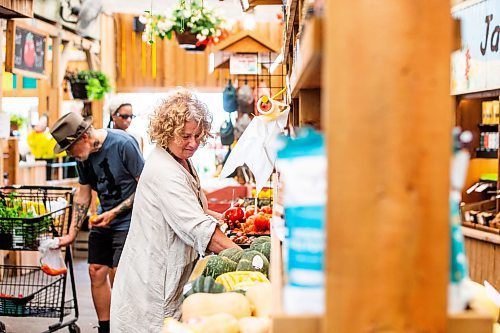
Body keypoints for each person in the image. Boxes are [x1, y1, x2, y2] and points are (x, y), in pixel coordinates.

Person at [110, 89, 240, 332]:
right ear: (166, 131)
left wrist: (215, 216)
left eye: (197, 136)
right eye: (185, 136)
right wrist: (246, 259)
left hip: (166, 273)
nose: (192, 143)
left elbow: (185, 209)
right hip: (153, 282)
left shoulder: (179, 159)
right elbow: (198, 229)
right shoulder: (165, 171)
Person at [50, 111, 145, 333]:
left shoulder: (123, 144)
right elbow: (84, 195)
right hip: (103, 220)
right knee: (95, 270)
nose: (70, 155)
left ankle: (126, 327)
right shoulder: (83, 157)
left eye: (69, 149)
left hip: (130, 220)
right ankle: (106, 328)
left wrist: (115, 212)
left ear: (83, 138)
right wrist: (72, 234)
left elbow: (146, 187)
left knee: (118, 273)